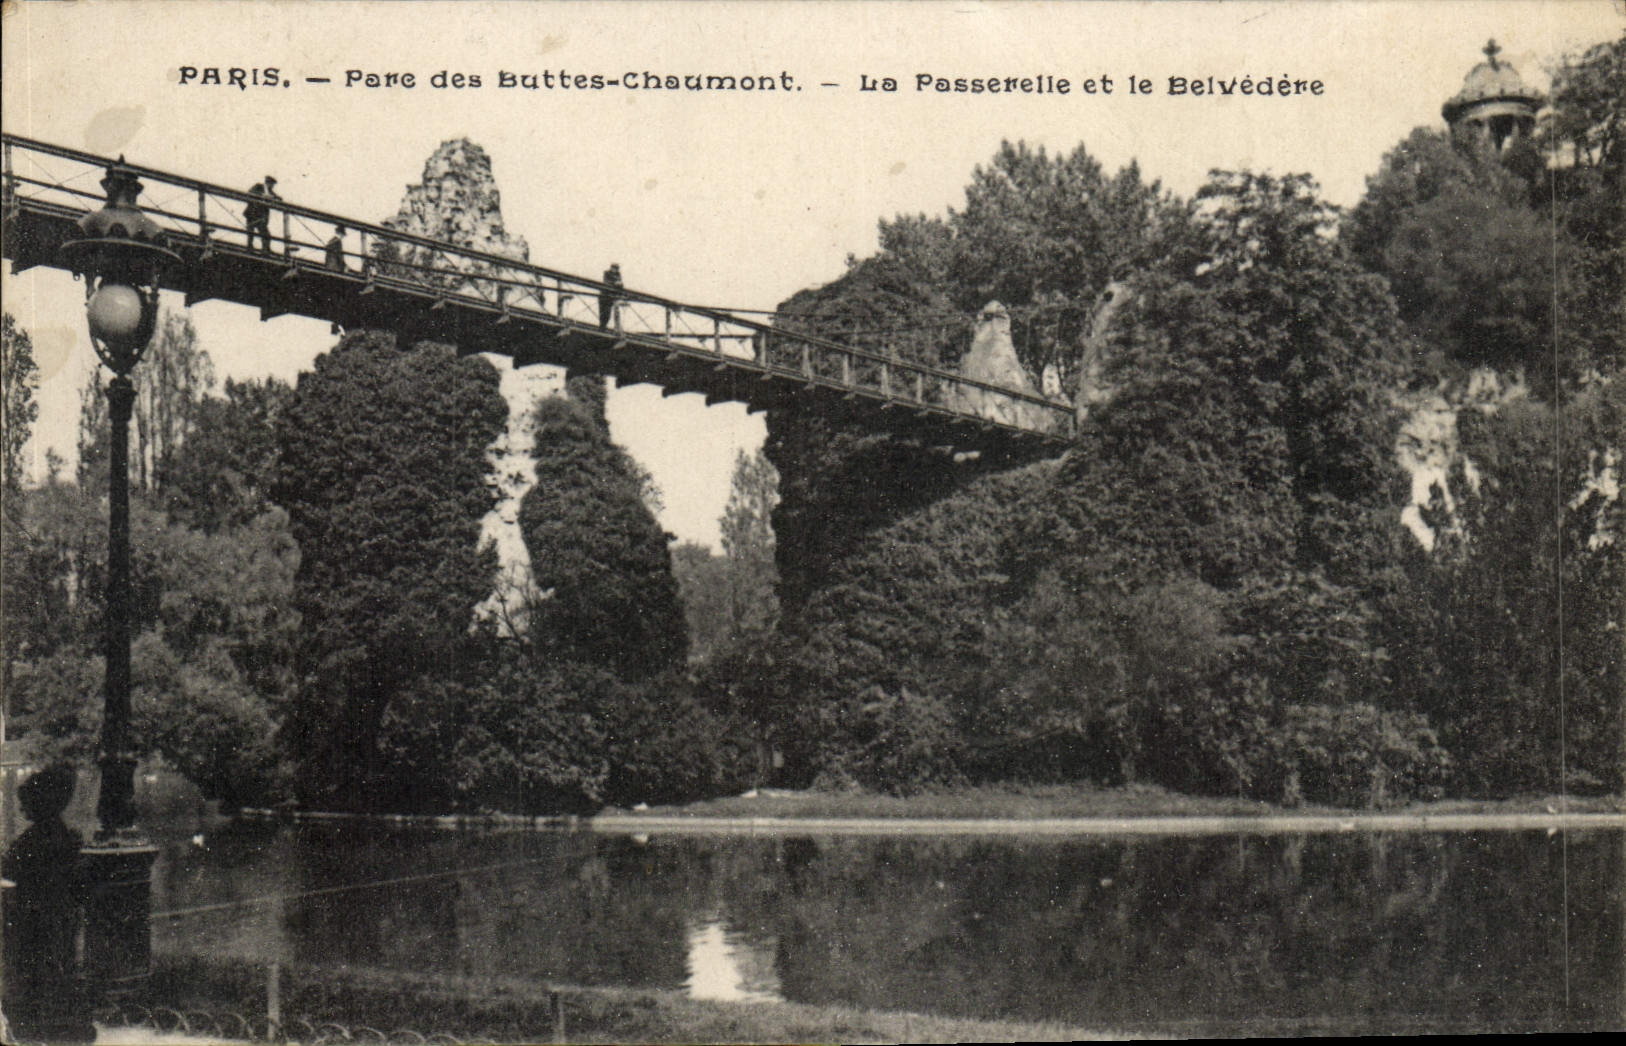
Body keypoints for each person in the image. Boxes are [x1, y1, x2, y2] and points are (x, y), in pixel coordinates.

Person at [2, 764, 93, 1043]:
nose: (22, 809)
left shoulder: (30, 841)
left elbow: (9, 870)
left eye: (26, 803)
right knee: (61, 966)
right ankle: (64, 1025)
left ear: (39, 804)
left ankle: (34, 1028)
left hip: (32, 917)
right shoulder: (68, 836)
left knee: (32, 970)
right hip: (62, 914)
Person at [244, 175, 280, 252]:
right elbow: (250, 193)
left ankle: (265, 249)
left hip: (261, 216)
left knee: (265, 234)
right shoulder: (258, 186)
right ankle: (250, 248)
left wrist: (273, 198)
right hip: (252, 213)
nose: (272, 186)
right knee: (251, 232)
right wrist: (262, 196)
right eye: (272, 184)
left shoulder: (270, 192)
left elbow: (279, 199)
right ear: (268, 183)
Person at [599, 263, 624, 329]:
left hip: (611, 297)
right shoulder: (607, 273)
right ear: (611, 268)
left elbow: (621, 285)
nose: (615, 270)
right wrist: (615, 283)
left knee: (608, 314)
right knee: (603, 313)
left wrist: (619, 284)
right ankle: (602, 326)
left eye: (616, 268)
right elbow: (606, 282)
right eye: (614, 268)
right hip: (604, 296)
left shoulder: (618, 275)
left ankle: (603, 326)